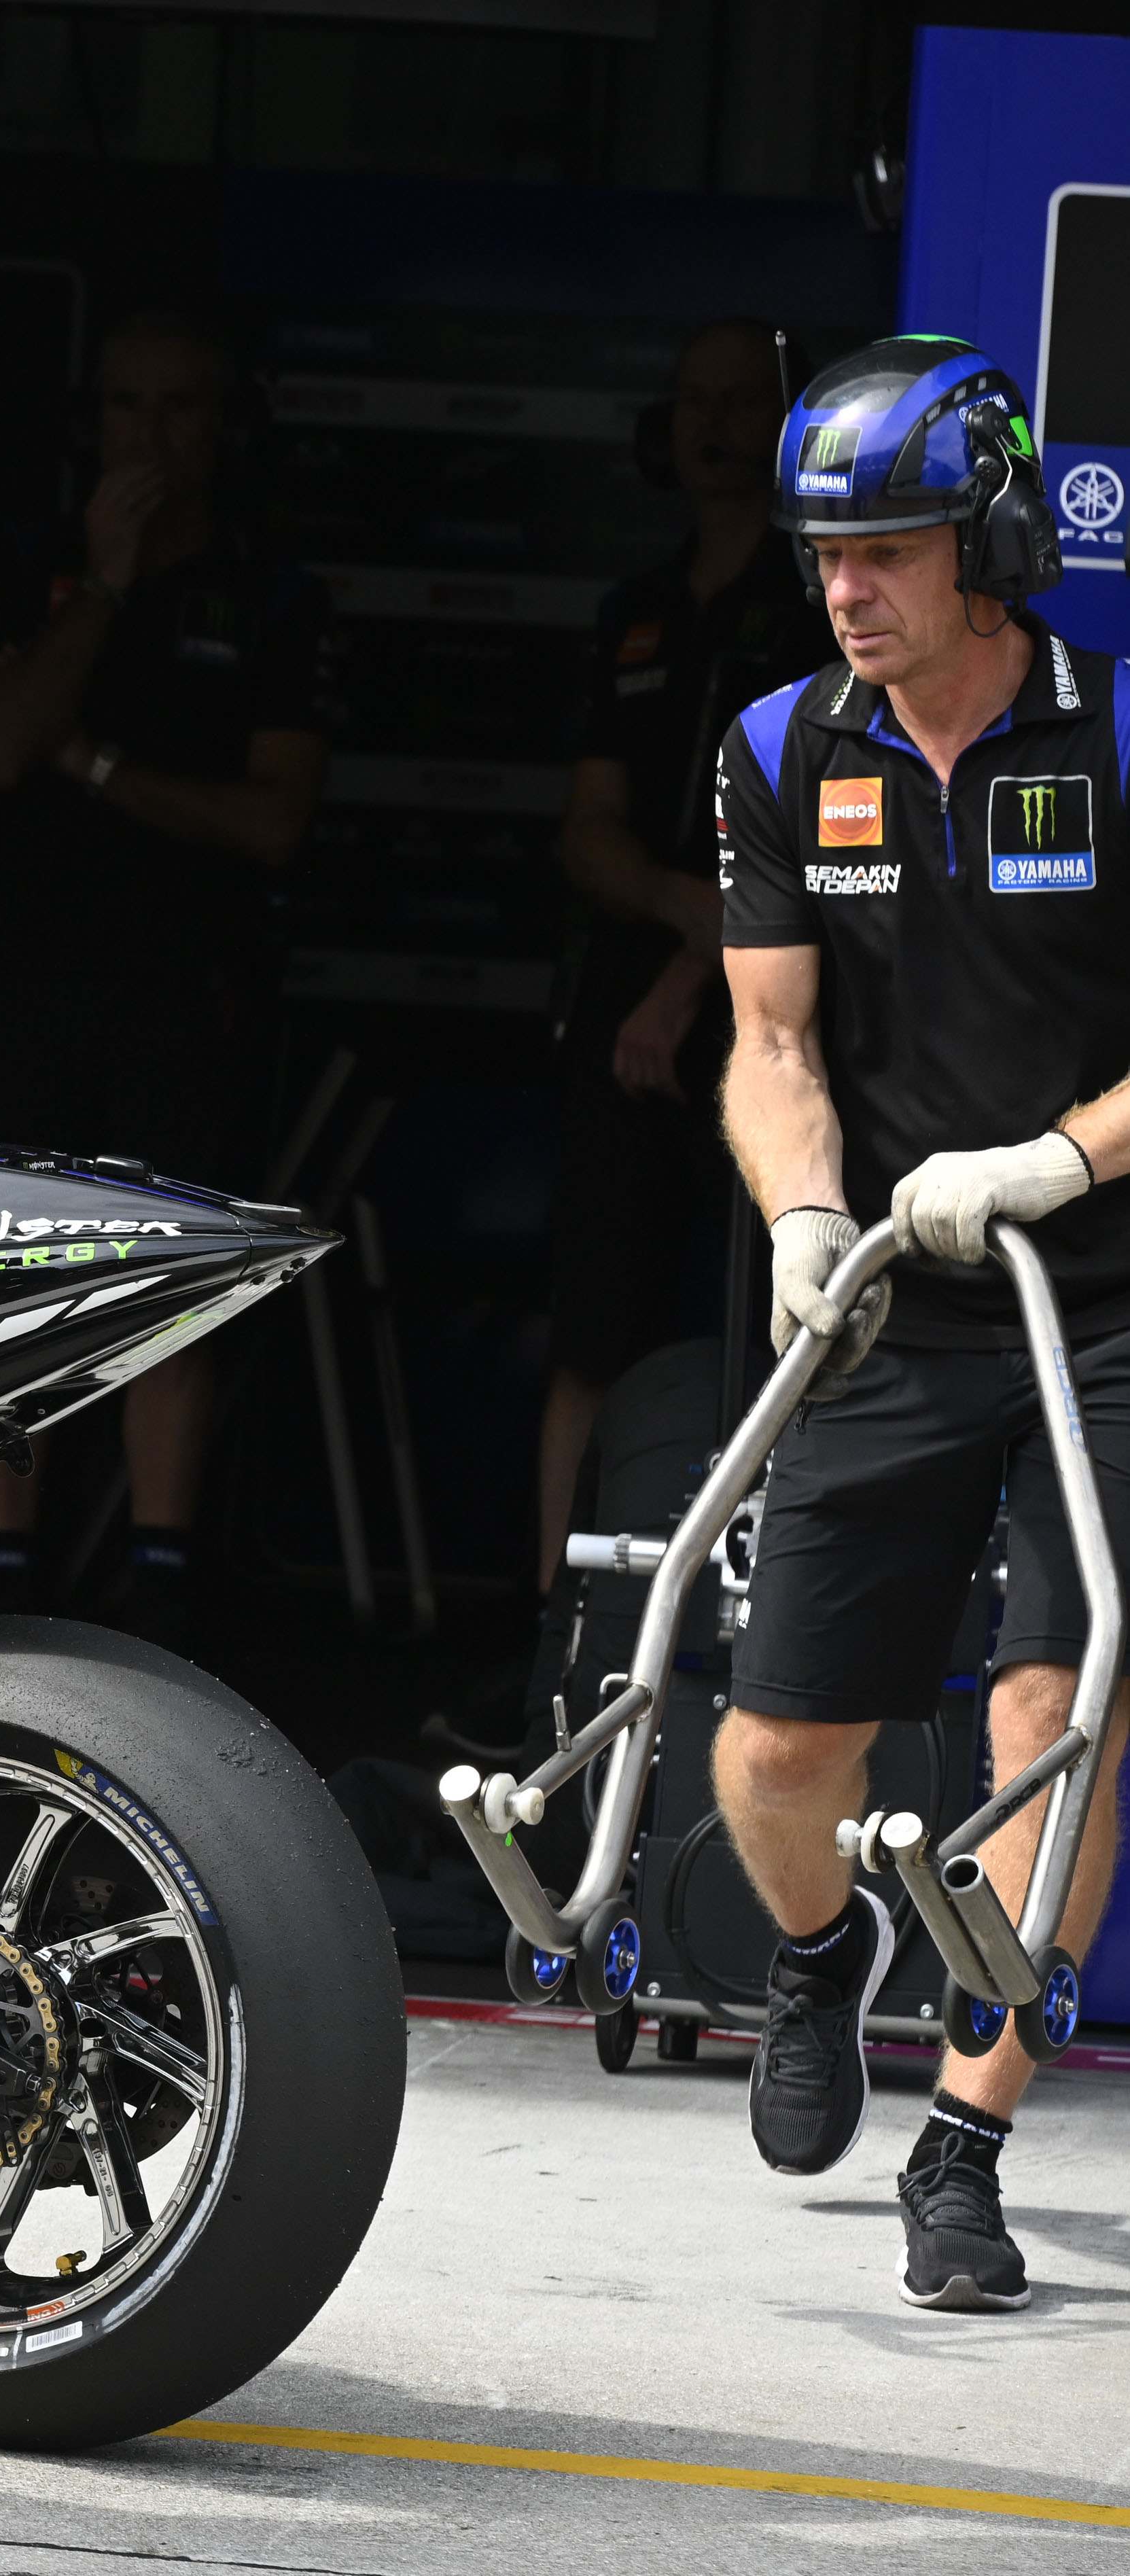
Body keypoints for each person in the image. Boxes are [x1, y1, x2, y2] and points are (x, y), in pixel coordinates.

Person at [711, 335, 1127, 2315]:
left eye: (881, 549)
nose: (843, 592)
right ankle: (816, 1955)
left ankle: (959, 2141)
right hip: (891, 1294)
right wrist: (799, 1205)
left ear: (983, 543)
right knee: (771, 1758)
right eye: (821, 557)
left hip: (1102, 1299)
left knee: (1045, 1724)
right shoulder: (783, 744)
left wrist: (1051, 1158)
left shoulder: (1115, 731)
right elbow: (764, 1040)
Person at [0, 306, 332, 1648]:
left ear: (222, 430)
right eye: (126, 408)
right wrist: (104, 586)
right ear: (88, 424)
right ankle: (1, 1576)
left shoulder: (272, 591)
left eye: (179, 409)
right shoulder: (26, 561)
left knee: (164, 1271)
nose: (150, 438)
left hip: (188, 982)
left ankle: (158, 1582)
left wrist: (102, 766)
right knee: (9, 1272)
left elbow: (273, 819)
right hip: (26, 971)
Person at [472, 320, 826, 1746]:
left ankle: (749, 1668)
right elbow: (587, 836)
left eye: (743, 402)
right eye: (693, 403)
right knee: (591, 1333)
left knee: (776, 1328)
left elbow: (818, 840)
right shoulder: (633, 608)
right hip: (627, 1013)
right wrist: (684, 937)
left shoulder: (821, 605)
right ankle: (548, 1664)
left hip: (779, 1014)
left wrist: (704, 975)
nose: (713, 426)